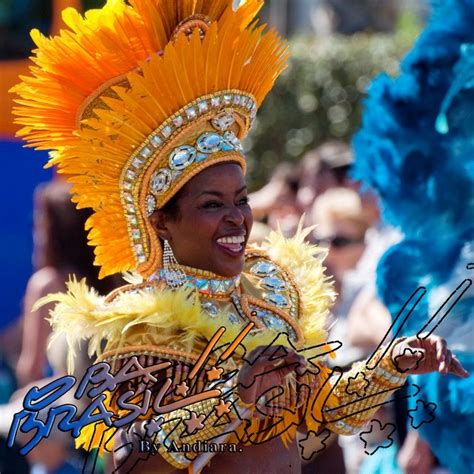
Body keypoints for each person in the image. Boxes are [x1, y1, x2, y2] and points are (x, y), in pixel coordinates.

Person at [11, 1, 469, 473]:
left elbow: (321, 408)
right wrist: (235, 401)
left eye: (241, 199)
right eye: (212, 204)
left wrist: (389, 366)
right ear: (162, 221)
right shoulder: (142, 330)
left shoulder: (272, 290)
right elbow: (133, 459)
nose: (237, 218)